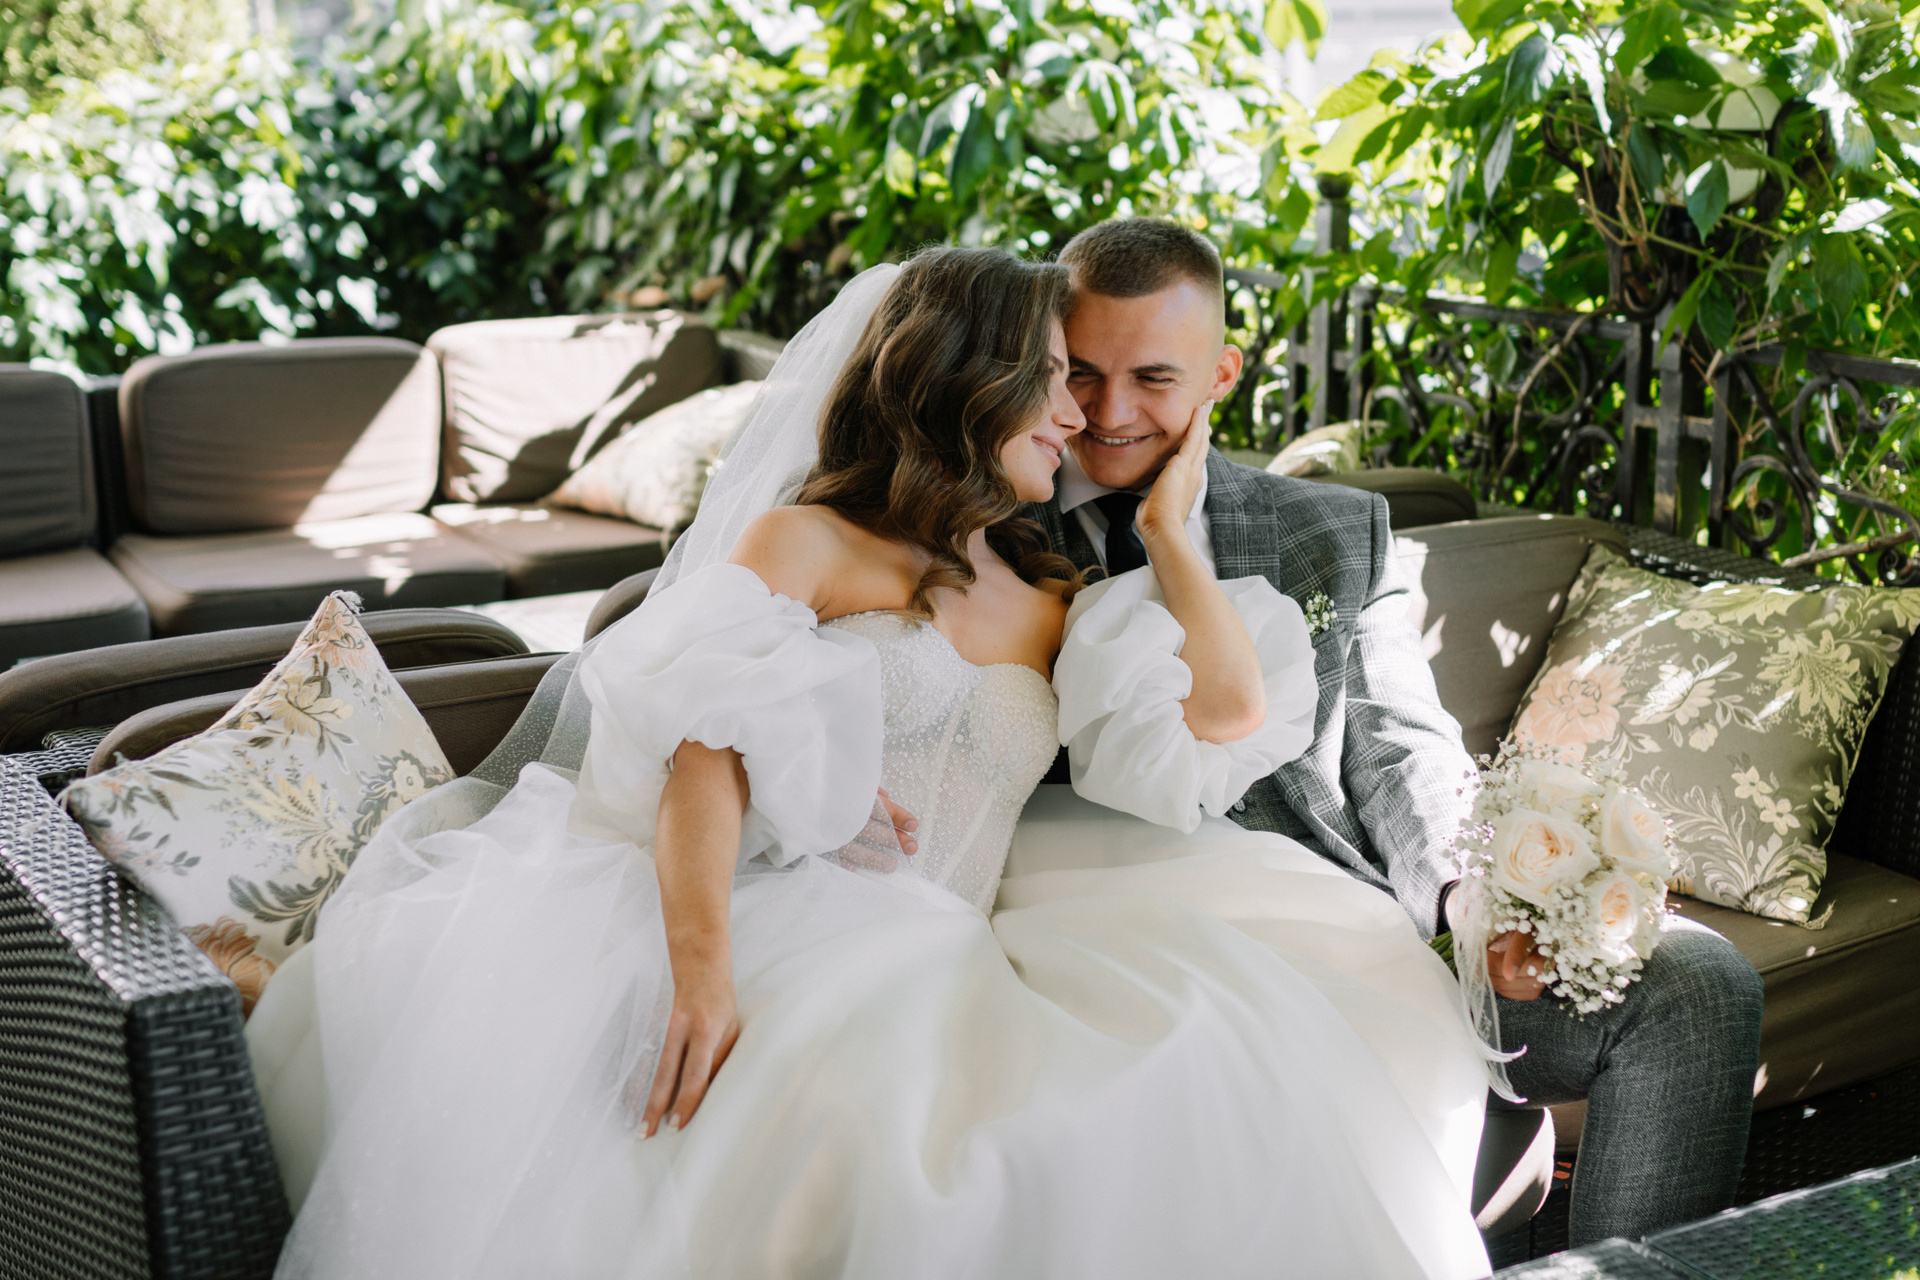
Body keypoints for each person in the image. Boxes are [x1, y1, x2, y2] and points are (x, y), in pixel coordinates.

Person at [248, 246, 1493, 1279]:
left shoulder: (1055, 595)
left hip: (948, 941)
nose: (1081, 414)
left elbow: (1226, 711)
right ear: (972, 385)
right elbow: (706, 755)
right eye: (1057, 380)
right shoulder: (809, 541)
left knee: (1166, 1091)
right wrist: (703, 971)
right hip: (773, 920)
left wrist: (1171, 534)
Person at [1026, 216, 1766, 1245]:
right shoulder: (970, 518)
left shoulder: (1329, 530)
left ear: (1222, 373)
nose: (1109, 414)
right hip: (1087, 949)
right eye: (1082, 374)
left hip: (1340, 935)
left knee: (1697, 985)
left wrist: (1475, 904)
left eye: (1153, 378)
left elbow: (1397, 747)